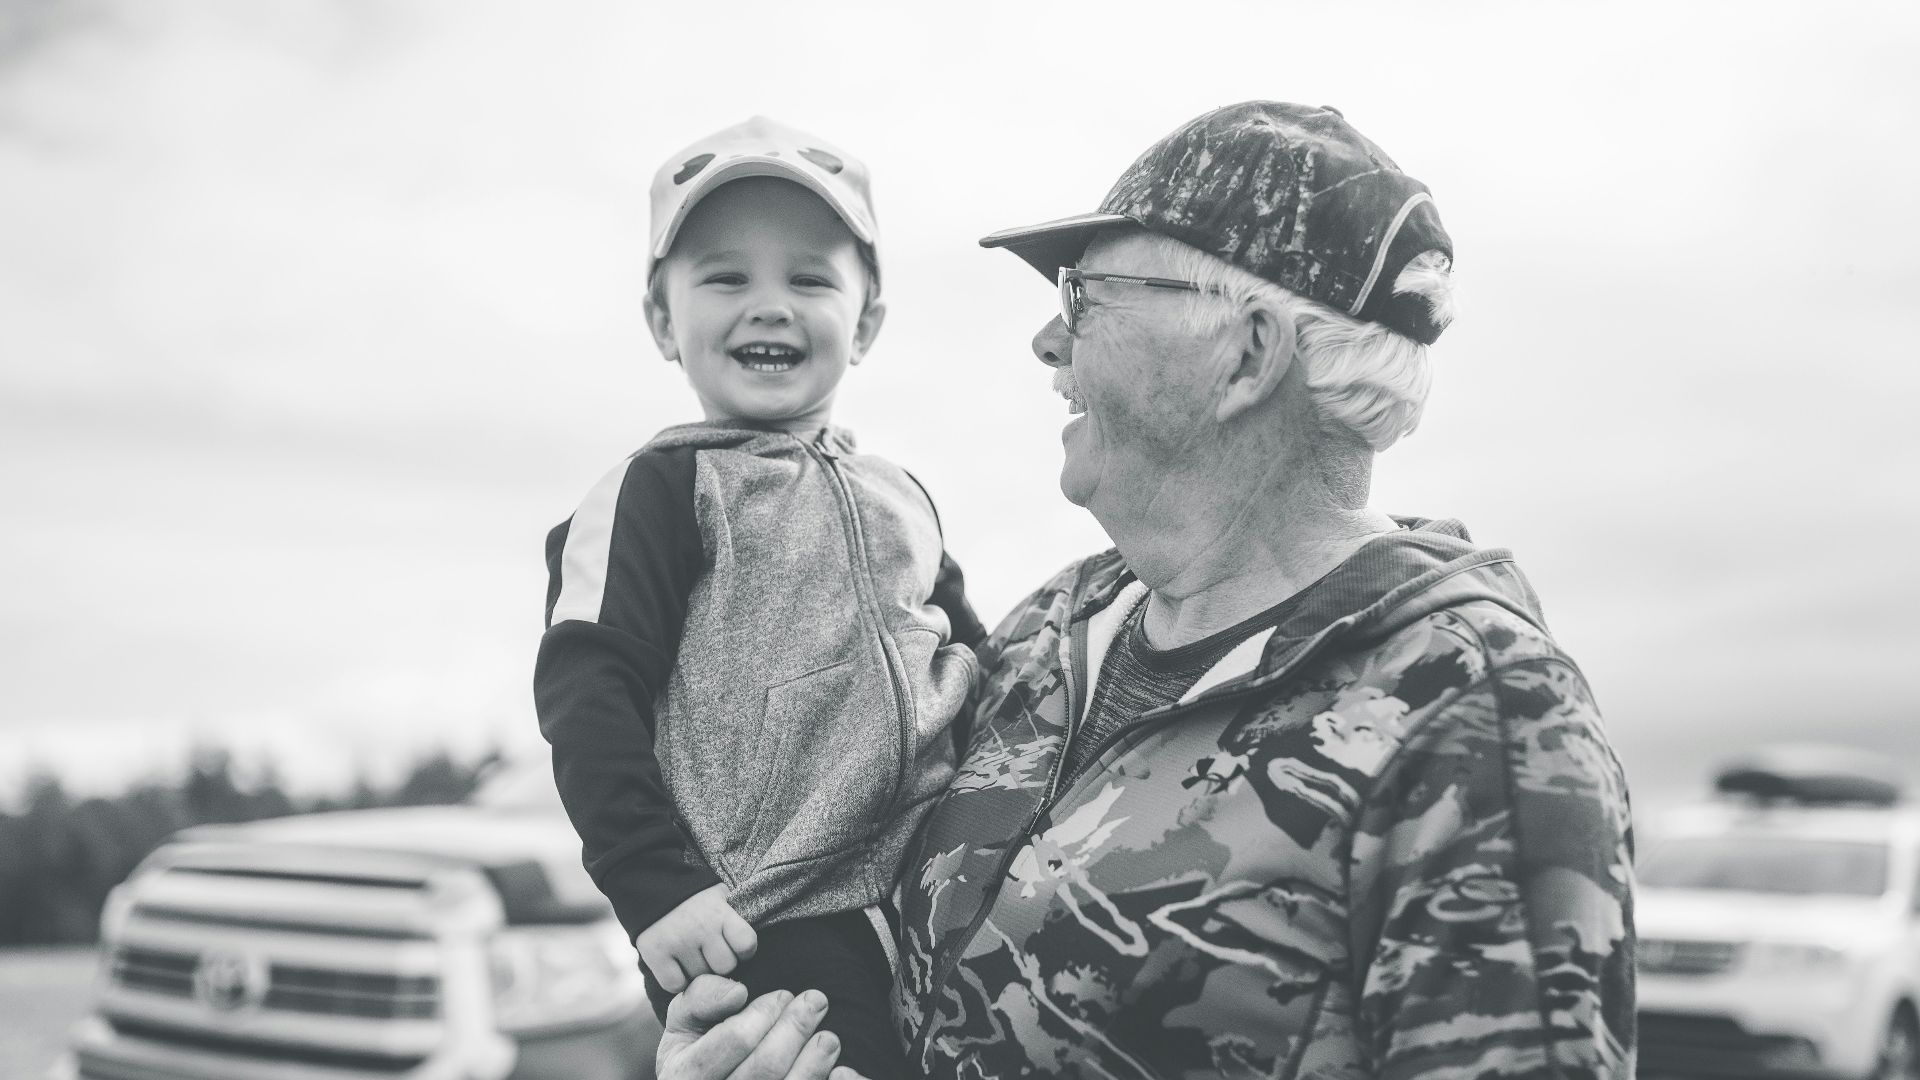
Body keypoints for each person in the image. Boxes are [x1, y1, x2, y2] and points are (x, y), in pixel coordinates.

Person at [658, 101, 1635, 1080]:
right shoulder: (1052, 628)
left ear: (1247, 353)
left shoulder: (1475, 711)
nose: (1048, 340)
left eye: (1086, 298)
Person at [534, 116, 985, 1080]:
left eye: (810, 279)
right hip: (761, 928)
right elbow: (586, 691)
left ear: (865, 323)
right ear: (663, 320)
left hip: (933, 893)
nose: (769, 306)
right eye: (726, 277)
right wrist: (655, 888)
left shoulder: (904, 498)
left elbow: (975, 659)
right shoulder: (656, 493)